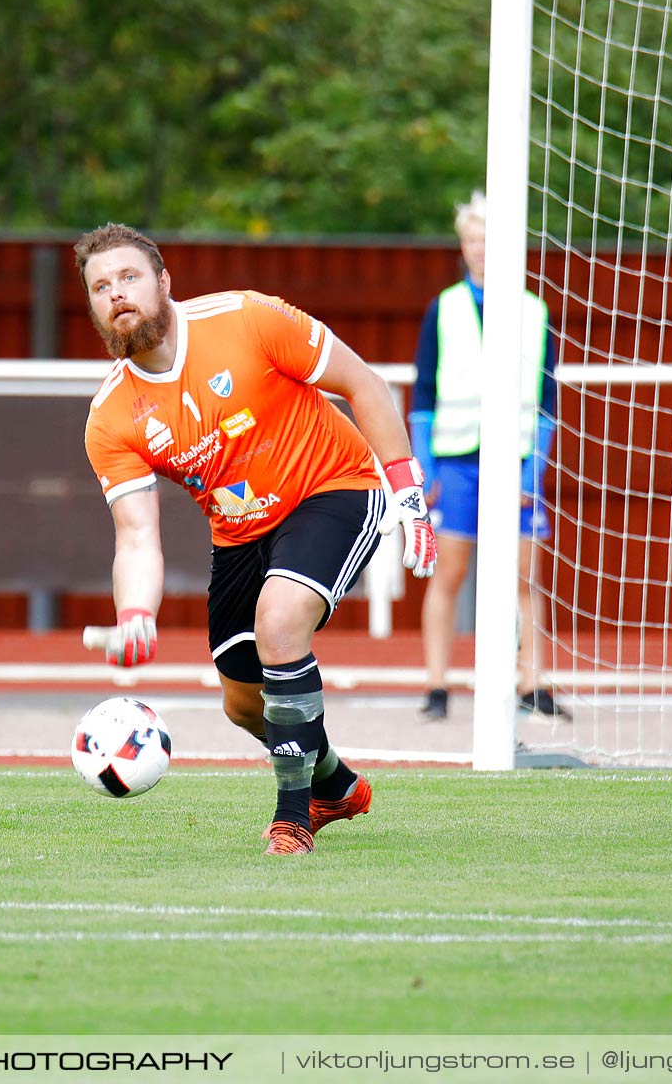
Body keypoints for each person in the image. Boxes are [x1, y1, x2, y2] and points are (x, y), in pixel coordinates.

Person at [77, 222, 437, 856]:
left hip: (335, 488)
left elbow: (365, 383)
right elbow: (136, 538)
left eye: (130, 277)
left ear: (164, 283)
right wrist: (135, 612)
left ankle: (292, 819)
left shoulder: (246, 318)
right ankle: (335, 784)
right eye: (102, 287)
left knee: (280, 622)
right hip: (241, 533)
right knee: (246, 706)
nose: (118, 294)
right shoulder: (110, 417)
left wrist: (408, 495)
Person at [409, 191, 564, 723]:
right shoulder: (444, 307)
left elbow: (548, 403)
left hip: (516, 462)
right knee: (446, 573)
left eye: (488, 240)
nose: (479, 249)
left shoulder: (533, 310)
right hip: (456, 462)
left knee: (524, 577)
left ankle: (531, 682)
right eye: (471, 239)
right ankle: (436, 685)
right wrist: (424, 468)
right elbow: (423, 394)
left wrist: (533, 469)